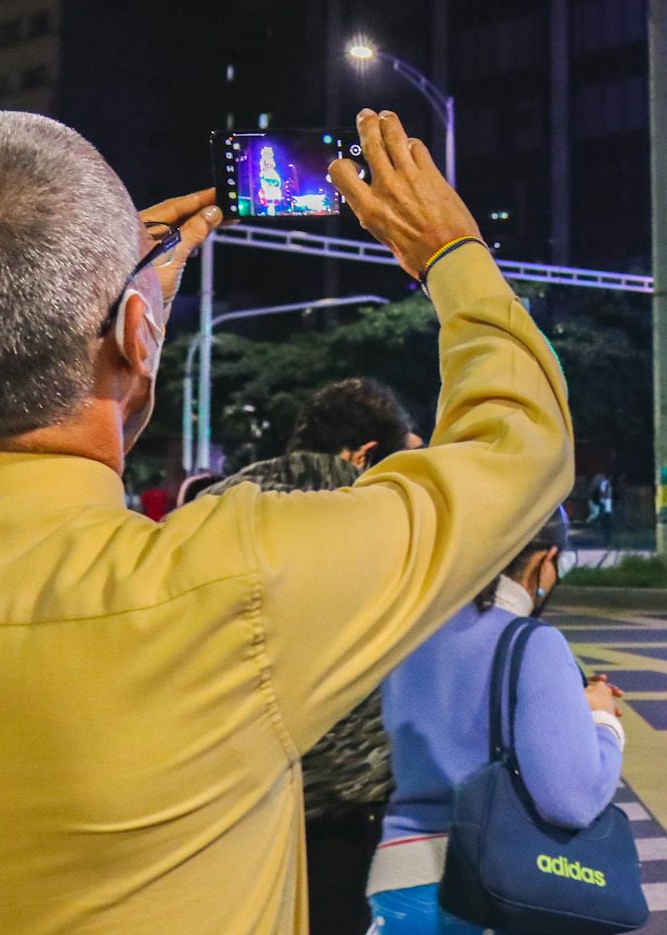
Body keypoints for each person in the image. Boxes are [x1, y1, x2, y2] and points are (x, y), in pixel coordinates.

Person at [0, 109, 573, 934]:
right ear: (140, 333)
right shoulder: (230, 587)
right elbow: (520, 447)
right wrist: (453, 256)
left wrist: (103, 316)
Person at [212, 378, 419, 935]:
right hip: (347, 807)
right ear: (365, 455)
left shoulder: (217, 508)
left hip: (229, 799)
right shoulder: (386, 521)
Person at [371, 508, 623, 932]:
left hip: (394, 880)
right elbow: (570, 800)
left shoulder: (406, 631)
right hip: (482, 887)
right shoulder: (533, 644)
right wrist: (603, 721)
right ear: (546, 562)